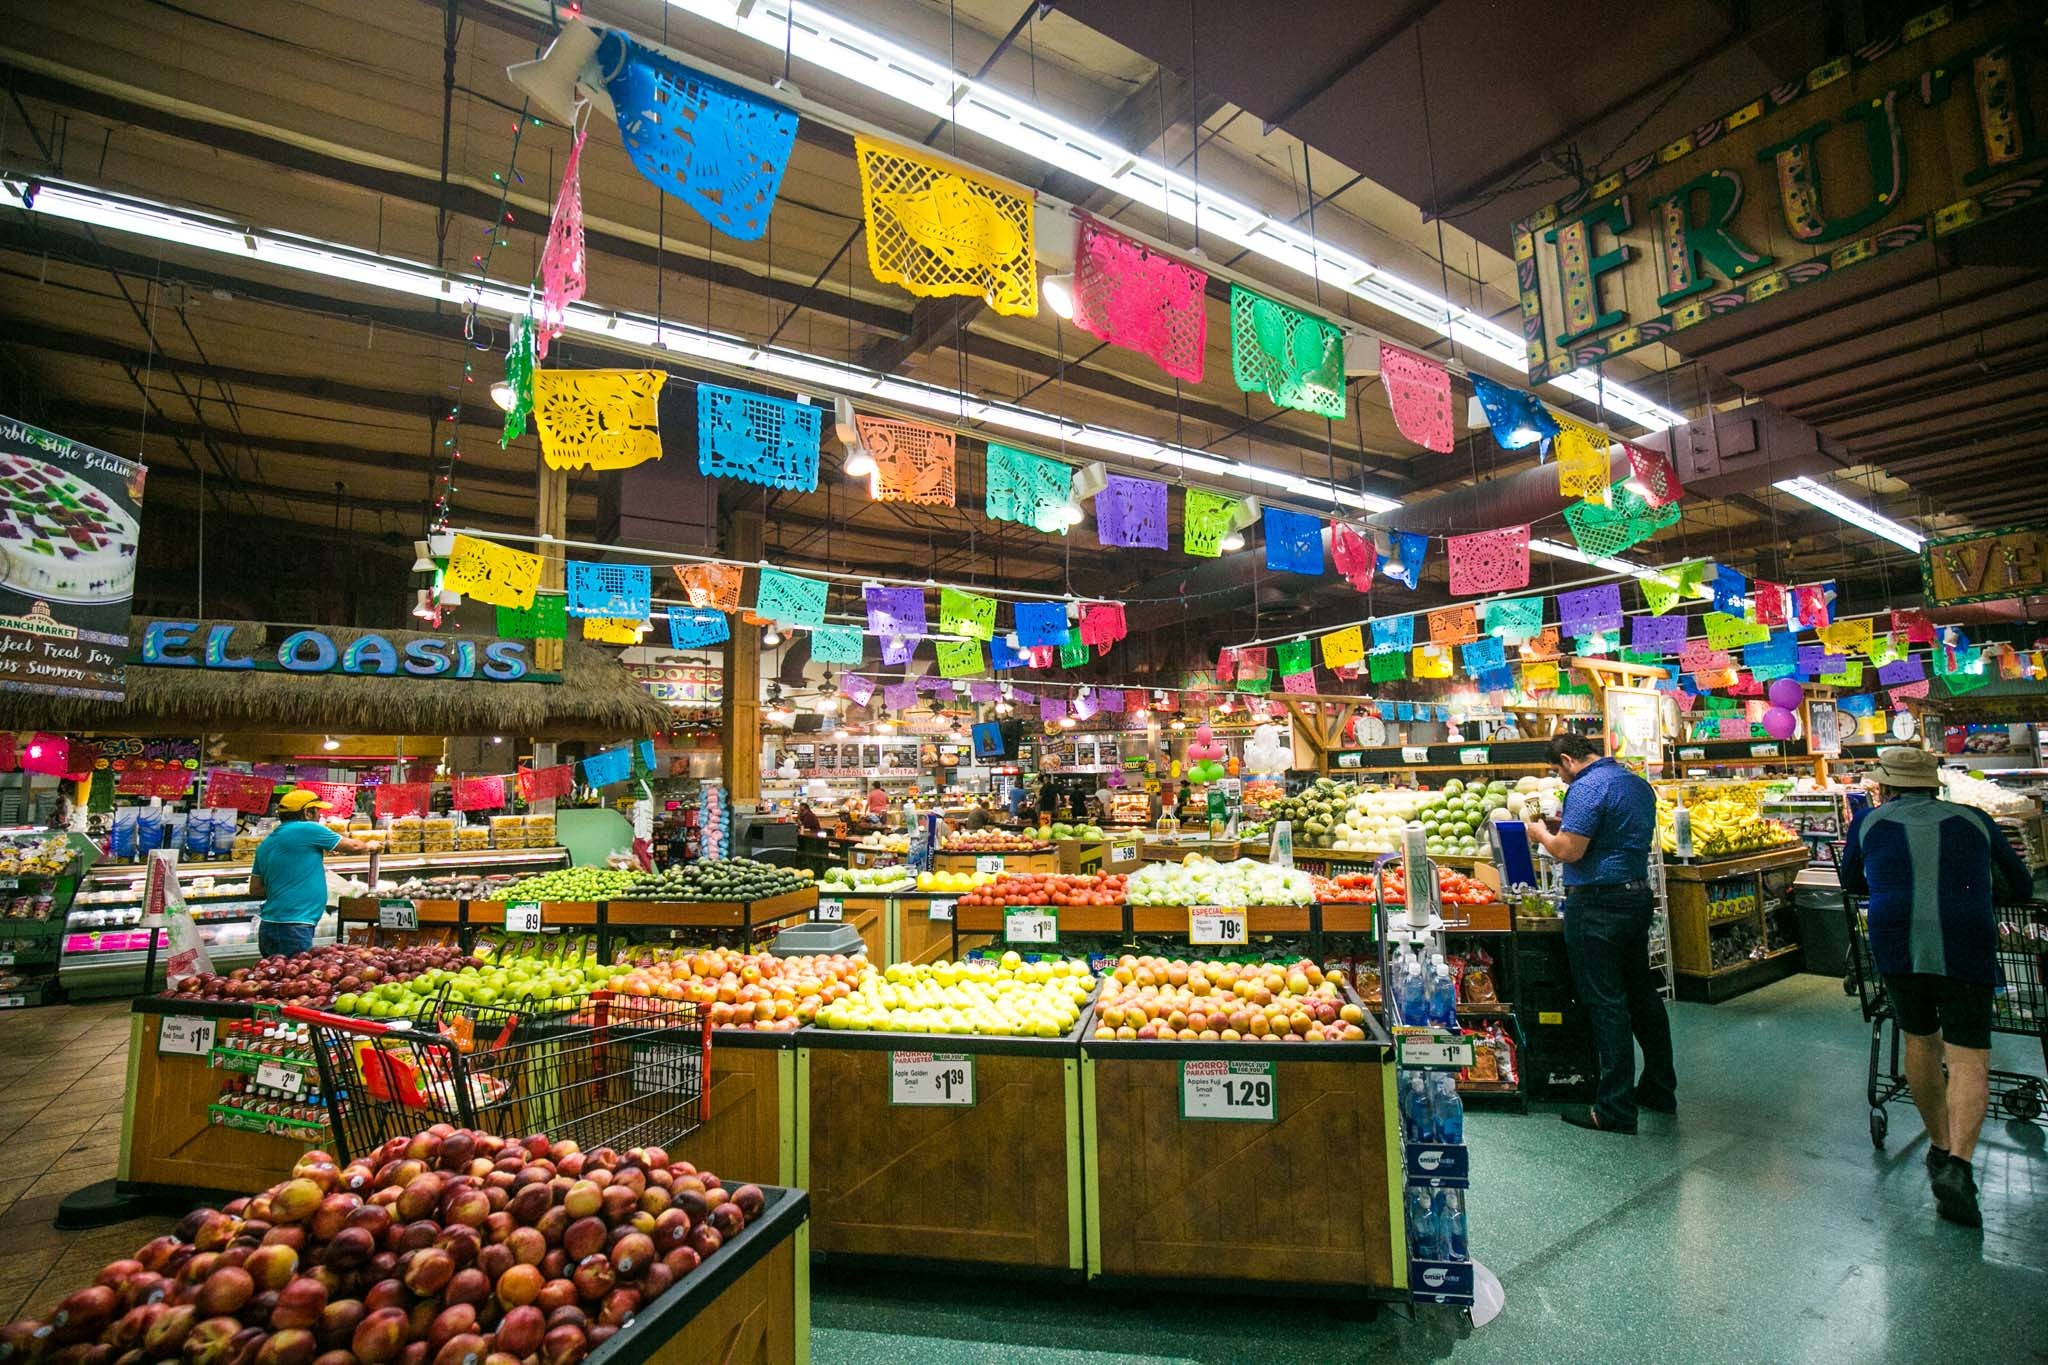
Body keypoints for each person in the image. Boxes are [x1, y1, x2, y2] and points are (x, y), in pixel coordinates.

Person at [1839, 746, 2030, 1227]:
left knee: (1920, 1043)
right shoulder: (1974, 820)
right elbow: (2022, 886)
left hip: (1898, 943)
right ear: (1932, 784)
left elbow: (1850, 881)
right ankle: (1960, 1167)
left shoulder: (1867, 823)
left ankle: (1940, 1147)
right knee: (1968, 1057)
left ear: (1886, 786)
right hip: (1966, 942)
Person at [1528, 733, 1675, 1135]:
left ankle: (1614, 1108)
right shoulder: (1635, 783)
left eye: (1557, 772)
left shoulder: (1586, 786)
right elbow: (1609, 833)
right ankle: (1660, 1089)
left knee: (1606, 1002)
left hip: (1596, 905)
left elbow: (1569, 851)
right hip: (1636, 897)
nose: (1559, 780)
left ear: (1567, 760)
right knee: (1642, 994)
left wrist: (1541, 834)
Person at [252, 790, 370, 959]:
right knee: (296, 980)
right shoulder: (307, 828)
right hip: (294, 926)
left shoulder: (266, 843)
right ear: (307, 812)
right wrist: (371, 845)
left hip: (269, 926)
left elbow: (255, 889)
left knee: (276, 978)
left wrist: (287, 886)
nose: (319, 816)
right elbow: (355, 847)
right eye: (317, 811)